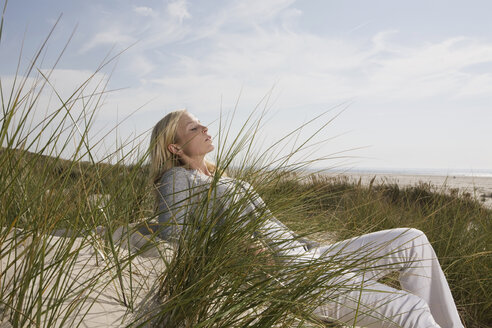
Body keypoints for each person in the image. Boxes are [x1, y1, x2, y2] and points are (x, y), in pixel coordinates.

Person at [149, 109, 464, 328]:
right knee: (410, 309)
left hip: (308, 255)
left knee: (412, 240)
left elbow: (268, 224)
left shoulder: (220, 176)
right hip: (288, 276)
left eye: (201, 123)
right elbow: (171, 237)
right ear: (174, 146)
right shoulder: (177, 178)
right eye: (193, 128)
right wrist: (235, 251)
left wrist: (311, 245)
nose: (205, 128)